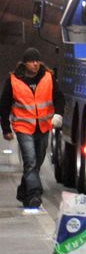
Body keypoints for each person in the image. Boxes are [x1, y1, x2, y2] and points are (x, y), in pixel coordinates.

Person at [0, 47, 64, 209]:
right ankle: (35, 194)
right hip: (23, 127)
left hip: (43, 126)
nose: (35, 64)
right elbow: (4, 105)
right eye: (31, 61)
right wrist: (6, 129)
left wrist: (58, 114)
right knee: (30, 161)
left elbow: (59, 97)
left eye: (37, 61)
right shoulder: (14, 80)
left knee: (37, 163)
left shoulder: (48, 77)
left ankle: (24, 191)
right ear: (24, 63)